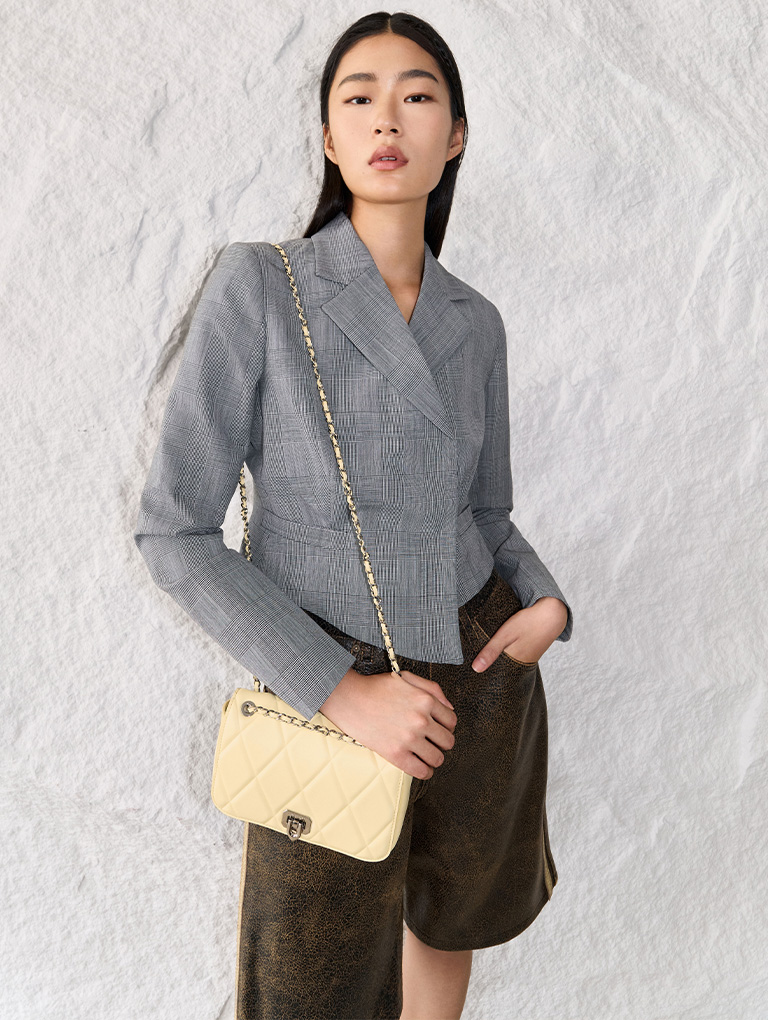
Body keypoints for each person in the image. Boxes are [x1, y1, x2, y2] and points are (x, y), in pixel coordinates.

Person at [133, 11, 573, 1020]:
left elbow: (485, 511)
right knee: (310, 988)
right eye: (358, 96)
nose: (387, 118)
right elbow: (173, 529)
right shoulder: (260, 286)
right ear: (328, 137)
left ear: (454, 136)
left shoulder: (477, 322)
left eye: (417, 95)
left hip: (478, 680)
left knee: (447, 924)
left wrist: (544, 602)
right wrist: (342, 691)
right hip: (327, 693)